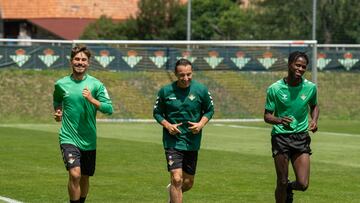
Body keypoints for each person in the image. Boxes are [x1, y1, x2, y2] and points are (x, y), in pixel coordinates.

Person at [53, 45, 113, 203]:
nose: (80, 62)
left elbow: (109, 108)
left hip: (89, 140)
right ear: (71, 61)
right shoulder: (61, 84)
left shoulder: (96, 85)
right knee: (75, 174)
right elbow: (57, 100)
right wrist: (58, 112)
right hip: (68, 137)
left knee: (85, 177)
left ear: (88, 63)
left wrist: (92, 100)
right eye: (77, 59)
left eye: (83, 60)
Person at [153, 58, 214, 203]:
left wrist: (201, 124)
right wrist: (168, 125)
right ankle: (175, 187)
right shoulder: (165, 91)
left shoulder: (201, 90)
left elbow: (210, 110)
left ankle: (173, 192)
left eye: (189, 74)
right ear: (175, 74)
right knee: (176, 178)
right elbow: (157, 113)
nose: (185, 78)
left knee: (187, 183)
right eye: (182, 75)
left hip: (192, 141)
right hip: (172, 141)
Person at [264, 51, 320, 203]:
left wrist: (314, 120)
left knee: (303, 184)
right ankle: (284, 189)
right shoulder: (275, 89)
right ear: (290, 64)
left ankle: (290, 187)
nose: (300, 69)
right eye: (297, 65)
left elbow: (314, 106)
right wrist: (280, 120)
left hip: (301, 137)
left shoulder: (310, 87)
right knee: (281, 181)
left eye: (303, 67)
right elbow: (267, 116)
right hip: (280, 138)